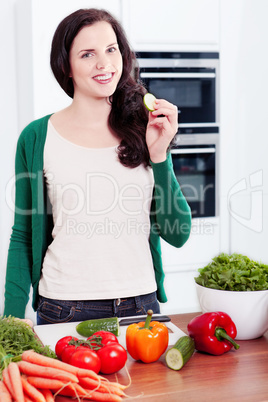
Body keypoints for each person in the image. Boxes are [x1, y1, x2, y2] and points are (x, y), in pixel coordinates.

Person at [4, 8, 191, 324]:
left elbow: (179, 233)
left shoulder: (145, 129)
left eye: (111, 49)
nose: (104, 64)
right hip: (64, 308)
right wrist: (9, 323)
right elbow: (23, 237)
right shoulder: (36, 137)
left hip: (141, 307)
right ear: (67, 66)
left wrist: (159, 158)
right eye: (88, 54)